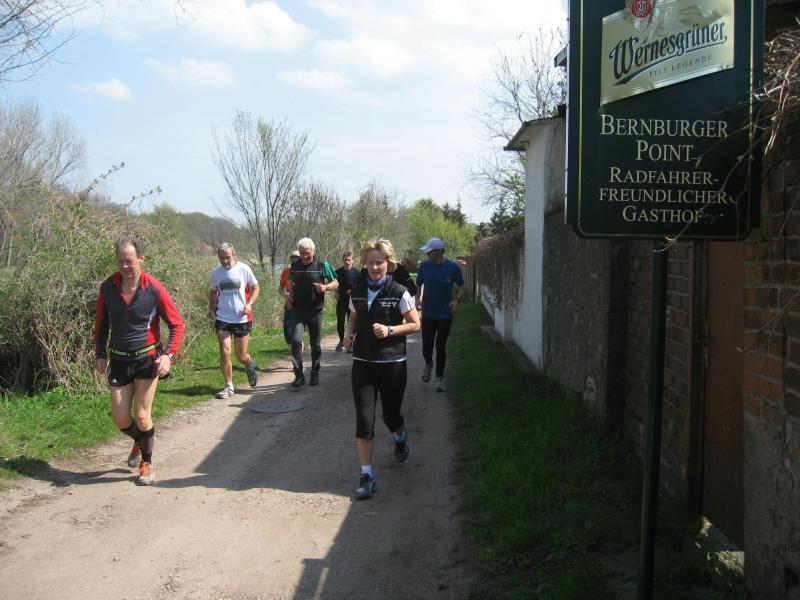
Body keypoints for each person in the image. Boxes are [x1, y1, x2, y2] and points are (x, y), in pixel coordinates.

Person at [94, 236, 184, 486]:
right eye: (120, 261)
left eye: (129, 261)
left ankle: (147, 464)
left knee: (142, 415)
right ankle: (140, 439)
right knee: (121, 419)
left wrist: (167, 355)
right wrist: (100, 353)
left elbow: (177, 324)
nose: (124, 266)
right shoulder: (108, 288)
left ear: (141, 259)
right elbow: (101, 323)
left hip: (147, 359)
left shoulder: (154, 289)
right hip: (119, 360)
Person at [343, 238, 420, 499]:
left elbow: (415, 324)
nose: (374, 267)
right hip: (363, 364)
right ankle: (367, 476)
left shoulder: (399, 292)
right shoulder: (357, 290)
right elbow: (353, 317)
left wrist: (390, 330)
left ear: (388, 263)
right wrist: (348, 334)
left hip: (392, 364)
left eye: (379, 262)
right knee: (364, 419)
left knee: (390, 416)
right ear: (364, 264)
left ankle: (400, 435)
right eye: (370, 262)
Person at [208, 242, 260, 399]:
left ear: (234, 256)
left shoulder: (243, 269)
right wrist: (211, 309)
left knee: (240, 355)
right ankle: (229, 386)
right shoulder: (216, 273)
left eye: (227, 257)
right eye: (221, 258)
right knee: (225, 352)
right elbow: (213, 292)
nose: (225, 261)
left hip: (241, 318)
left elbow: (256, 287)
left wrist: (250, 303)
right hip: (223, 317)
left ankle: (248, 363)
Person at [284, 237, 338, 387]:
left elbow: (336, 282)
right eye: (302, 253)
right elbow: (290, 282)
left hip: (315, 311)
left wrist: (325, 287)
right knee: (295, 340)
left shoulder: (322, 264)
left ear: (313, 251)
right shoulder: (295, 266)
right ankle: (299, 375)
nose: (304, 256)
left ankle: (315, 372)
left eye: (307, 253)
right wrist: (289, 297)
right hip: (298, 310)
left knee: (315, 344)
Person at [415, 237, 464, 393]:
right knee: (427, 346)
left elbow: (462, 286)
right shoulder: (424, 266)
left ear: (439, 251)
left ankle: (439, 378)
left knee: (440, 346)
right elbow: (419, 283)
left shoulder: (452, 267)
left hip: (445, 314)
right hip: (428, 313)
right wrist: (418, 297)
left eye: (430, 251)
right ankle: (429, 363)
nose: (427, 254)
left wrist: (456, 301)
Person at [334, 251, 360, 353]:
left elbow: (361, 286)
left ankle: (350, 343)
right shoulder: (337, 272)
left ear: (353, 261)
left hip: (353, 302)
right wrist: (335, 292)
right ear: (342, 260)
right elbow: (334, 284)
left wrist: (354, 291)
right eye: (345, 260)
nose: (347, 262)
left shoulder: (357, 273)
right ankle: (341, 341)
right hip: (341, 301)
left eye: (349, 260)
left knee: (352, 324)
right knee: (340, 322)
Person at [278, 249, 301, 348]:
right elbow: (280, 289)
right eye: (292, 258)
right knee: (288, 335)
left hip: (301, 306)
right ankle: (295, 349)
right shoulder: (286, 272)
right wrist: (285, 295)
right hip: (289, 305)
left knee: (297, 334)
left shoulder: (304, 272)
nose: (294, 260)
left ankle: (298, 354)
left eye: (296, 258)